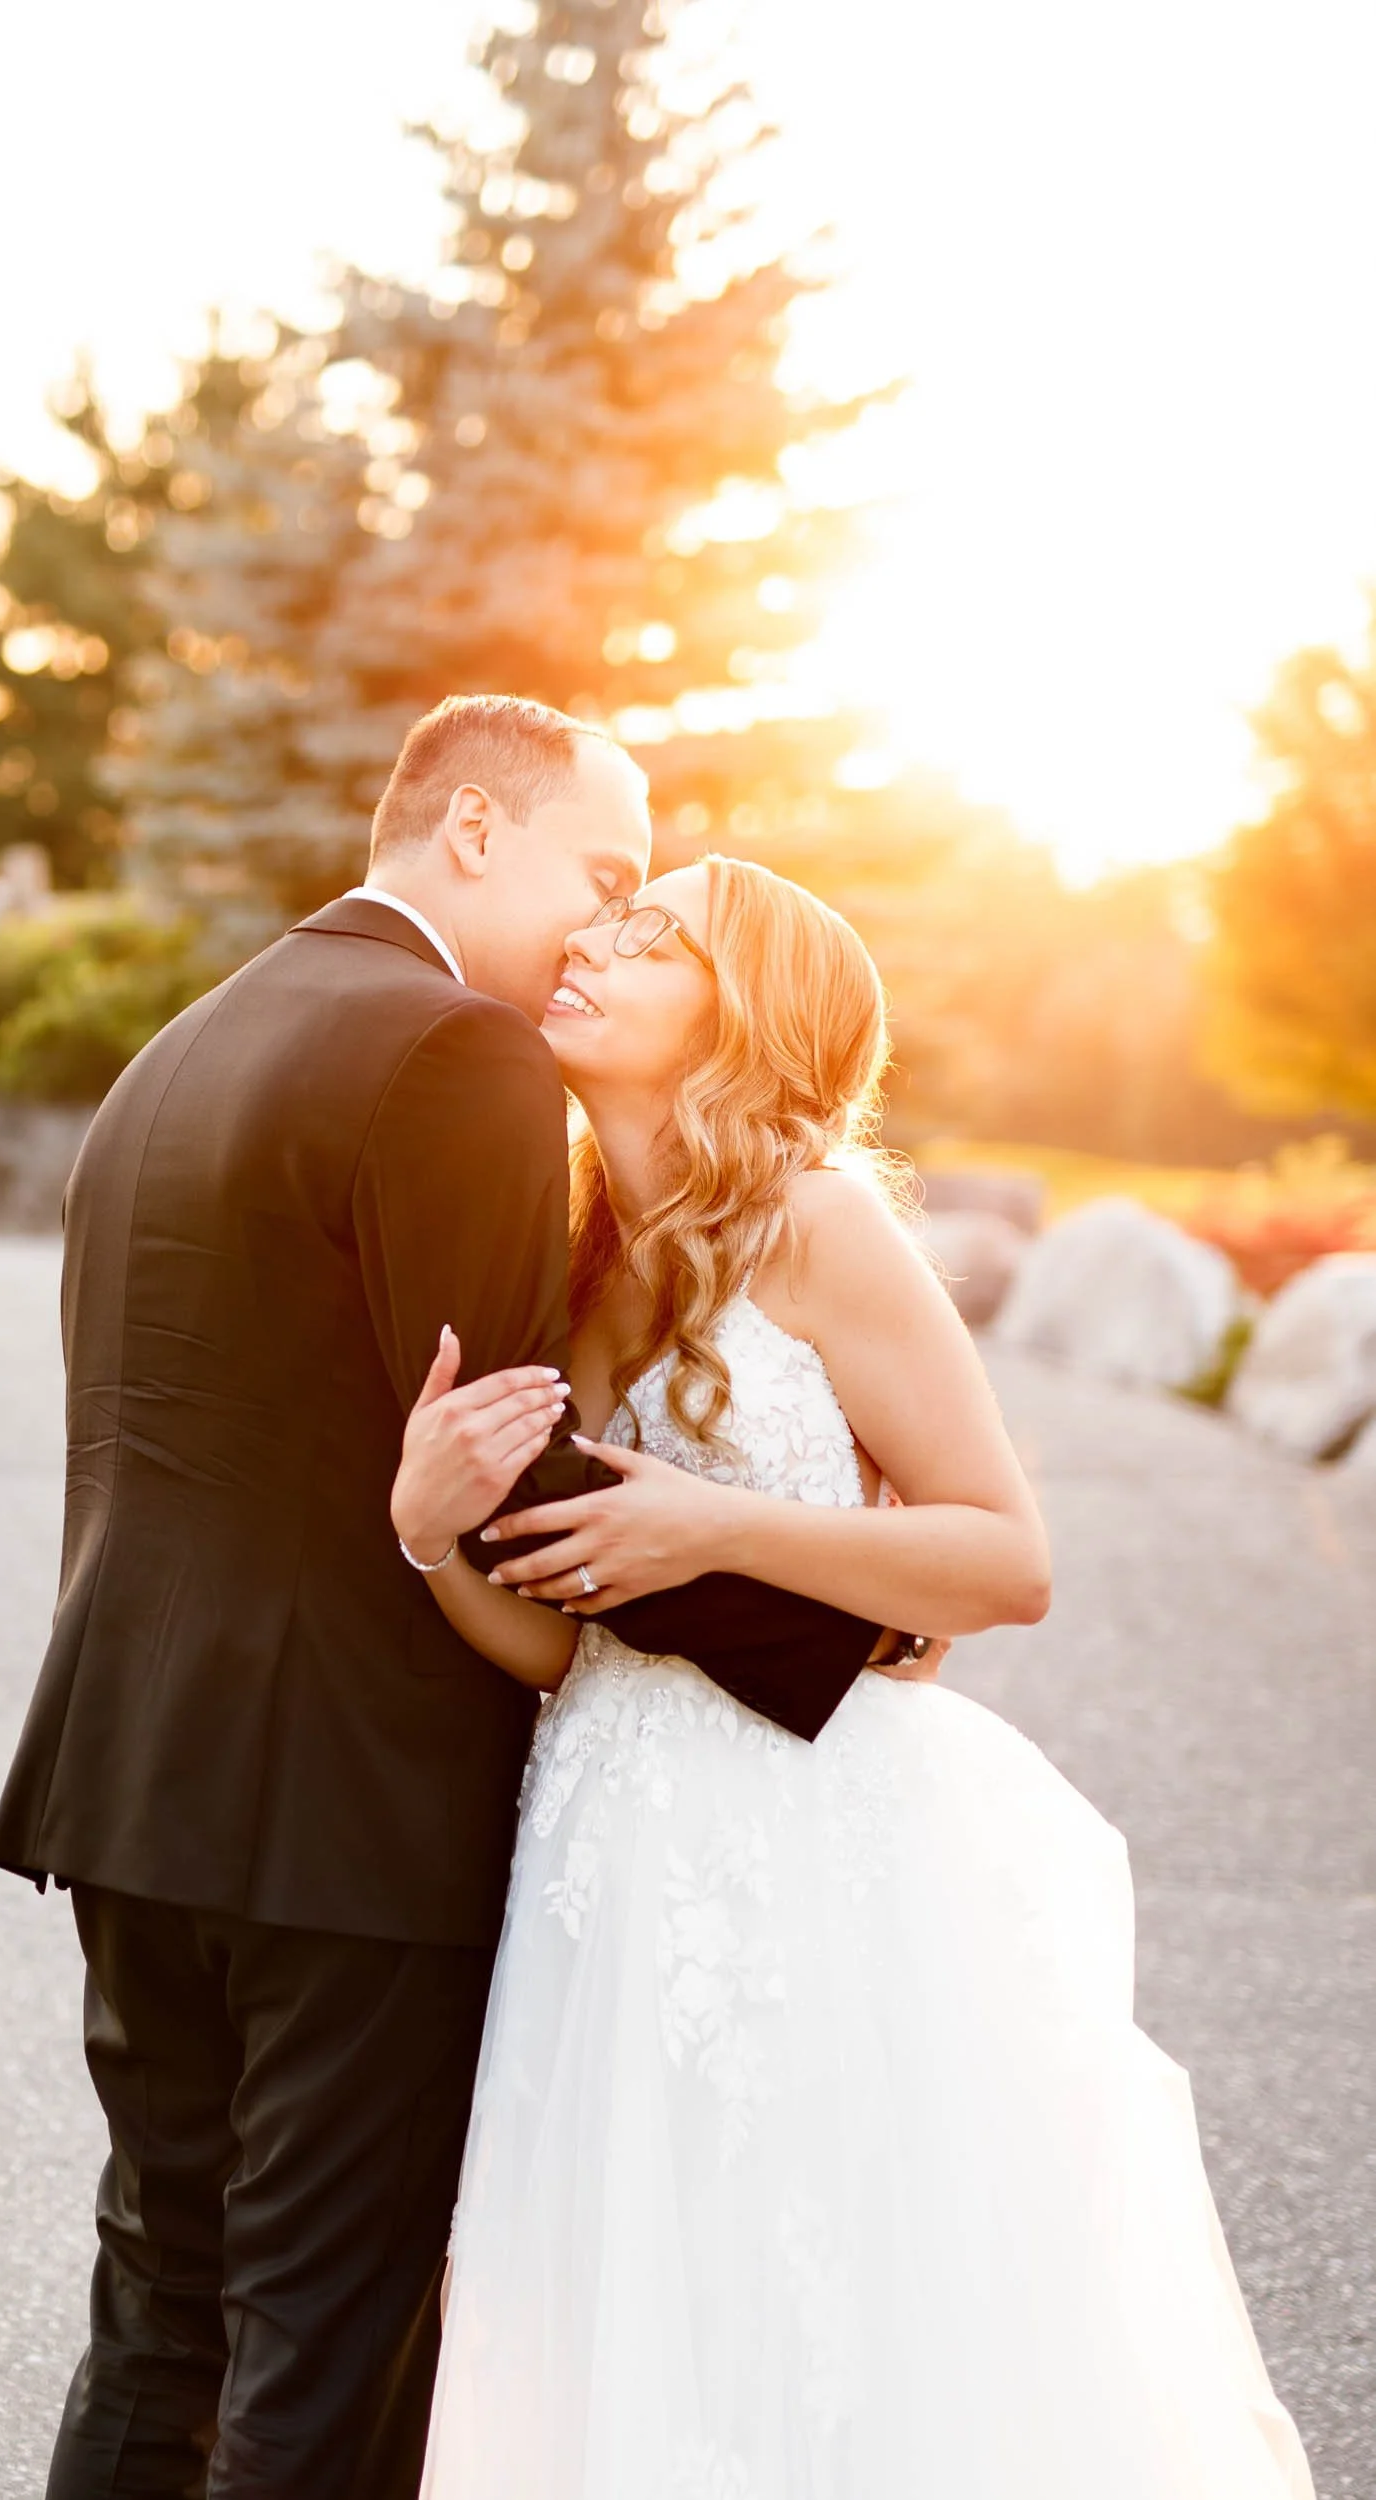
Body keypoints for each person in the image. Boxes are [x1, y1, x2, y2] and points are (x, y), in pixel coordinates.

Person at [0, 696, 947, 2500]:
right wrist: (846, 1626)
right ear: (474, 835)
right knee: (323, 2343)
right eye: (600, 873)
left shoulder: (186, 1044)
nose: (603, 922)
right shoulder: (450, 1052)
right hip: (342, 1810)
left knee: (160, 2302)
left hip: (126, 1774)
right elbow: (505, 1464)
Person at [394, 854, 1317, 2500]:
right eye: (603, 919)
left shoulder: (816, 1225)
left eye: (648, 932)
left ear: (737, 1021)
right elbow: (554, 1642)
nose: (590, 943)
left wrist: (711, 1529)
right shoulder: (582, 1256)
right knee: (636, 2302)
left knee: (825, 2296)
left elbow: (1002, 1561)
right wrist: (430, 1537)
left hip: (808, 1832)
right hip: (610, 1838)